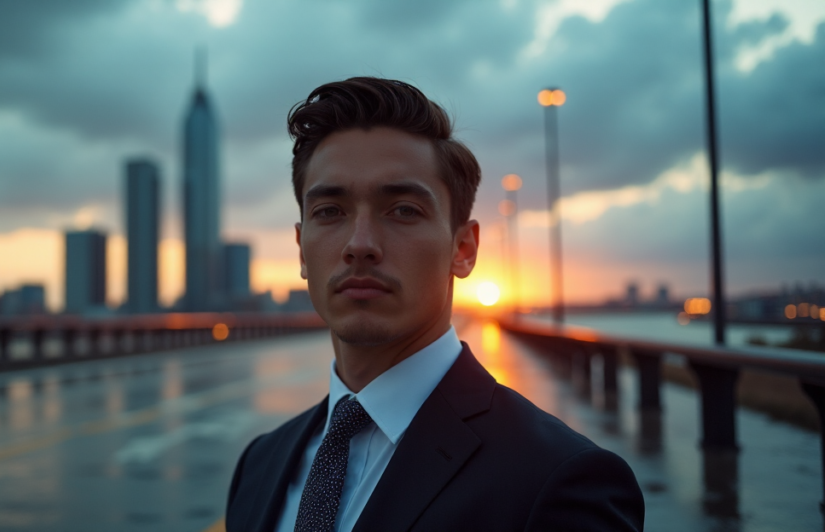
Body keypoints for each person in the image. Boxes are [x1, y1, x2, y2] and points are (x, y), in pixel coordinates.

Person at [225, 77, 644, 532]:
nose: (359, 245)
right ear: (302, 250)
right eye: (329, 211)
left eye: (403, 210)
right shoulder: (260, 465)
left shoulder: (558, 479)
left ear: (463, 249)